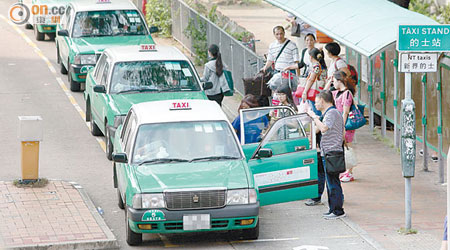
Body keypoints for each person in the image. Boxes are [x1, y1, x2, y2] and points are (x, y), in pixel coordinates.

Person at [307, 90, 345, 220]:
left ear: (322, 101)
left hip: (332, 153)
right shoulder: (330, 113)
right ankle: (332, 209)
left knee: (333, 183)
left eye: (317, 102)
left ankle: (338, 210)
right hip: (328, 152)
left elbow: (323, 128)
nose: (316, 105)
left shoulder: (332, 113)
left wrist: (314, 117)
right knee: (331, 183)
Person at [285, 48, 326, 116]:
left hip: (314, 90)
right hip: (317, 90)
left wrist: (305, 91)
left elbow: (311, 79)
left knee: (315, 110)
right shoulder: (319, 65)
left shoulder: (316, 66)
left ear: (310, 57)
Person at [332, 71, 356, 182]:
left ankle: (350, 172)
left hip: (346, 124)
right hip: (340, 123)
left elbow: (345, 112)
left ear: (339, 81)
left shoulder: (347, 94)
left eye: (334, 81)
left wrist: (342, 126)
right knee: (343, 146)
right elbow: (325, 92)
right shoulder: (337, 92)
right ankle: (346, 170)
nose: (332, 83)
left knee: (348, 146)